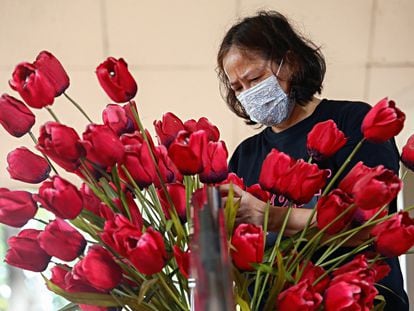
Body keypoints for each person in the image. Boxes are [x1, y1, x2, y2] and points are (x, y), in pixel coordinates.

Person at [217, 10, 409, 310]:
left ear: (290, 62)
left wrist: (269, 215)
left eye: (254, 78)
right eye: (238, 87)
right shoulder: (245, 155)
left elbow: (372, 227)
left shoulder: (353, 123)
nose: (248, 94)